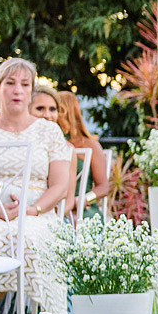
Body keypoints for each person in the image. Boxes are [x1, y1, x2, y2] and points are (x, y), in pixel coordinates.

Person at [0, 58, 72, 314]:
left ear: (31, 91)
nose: (17, 90)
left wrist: (33, 210)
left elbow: (60, 186)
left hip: (36, 213)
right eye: (10, 83)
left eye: (25, 84)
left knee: (29, 238)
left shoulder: (48, 130)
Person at [56, 90, 110, 220]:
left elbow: (103, 187)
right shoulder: (51, 143)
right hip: (53, 206)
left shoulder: (90, 145)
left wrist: (82, 200)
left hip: (81, 210)